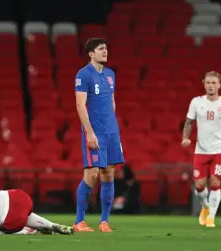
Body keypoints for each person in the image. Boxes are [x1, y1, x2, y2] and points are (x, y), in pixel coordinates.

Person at [73, 38, 124, 232]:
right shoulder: (83, 74)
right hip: (95, 132)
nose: (105, 51)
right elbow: (80, 105)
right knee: (92, 174)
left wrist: (113, 127)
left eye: (106, 48)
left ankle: (104, 221)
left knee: (109, 173)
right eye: (101, 49)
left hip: (111, 131)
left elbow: (112, 101)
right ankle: (79, 221)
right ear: (91, 53)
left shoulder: (110, 75)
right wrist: (90, 132)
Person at [181, 71, 221, 228]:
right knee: (200, 186)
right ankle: (206, 207)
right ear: (203, 83)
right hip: (201, 151)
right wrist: (185, 137)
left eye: (214, 83)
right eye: (208, 82)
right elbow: (189, 121)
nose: (211, 85)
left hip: (220, 150)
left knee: (215, 181)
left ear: (219, 85)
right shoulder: (196, 102)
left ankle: (211, 218)